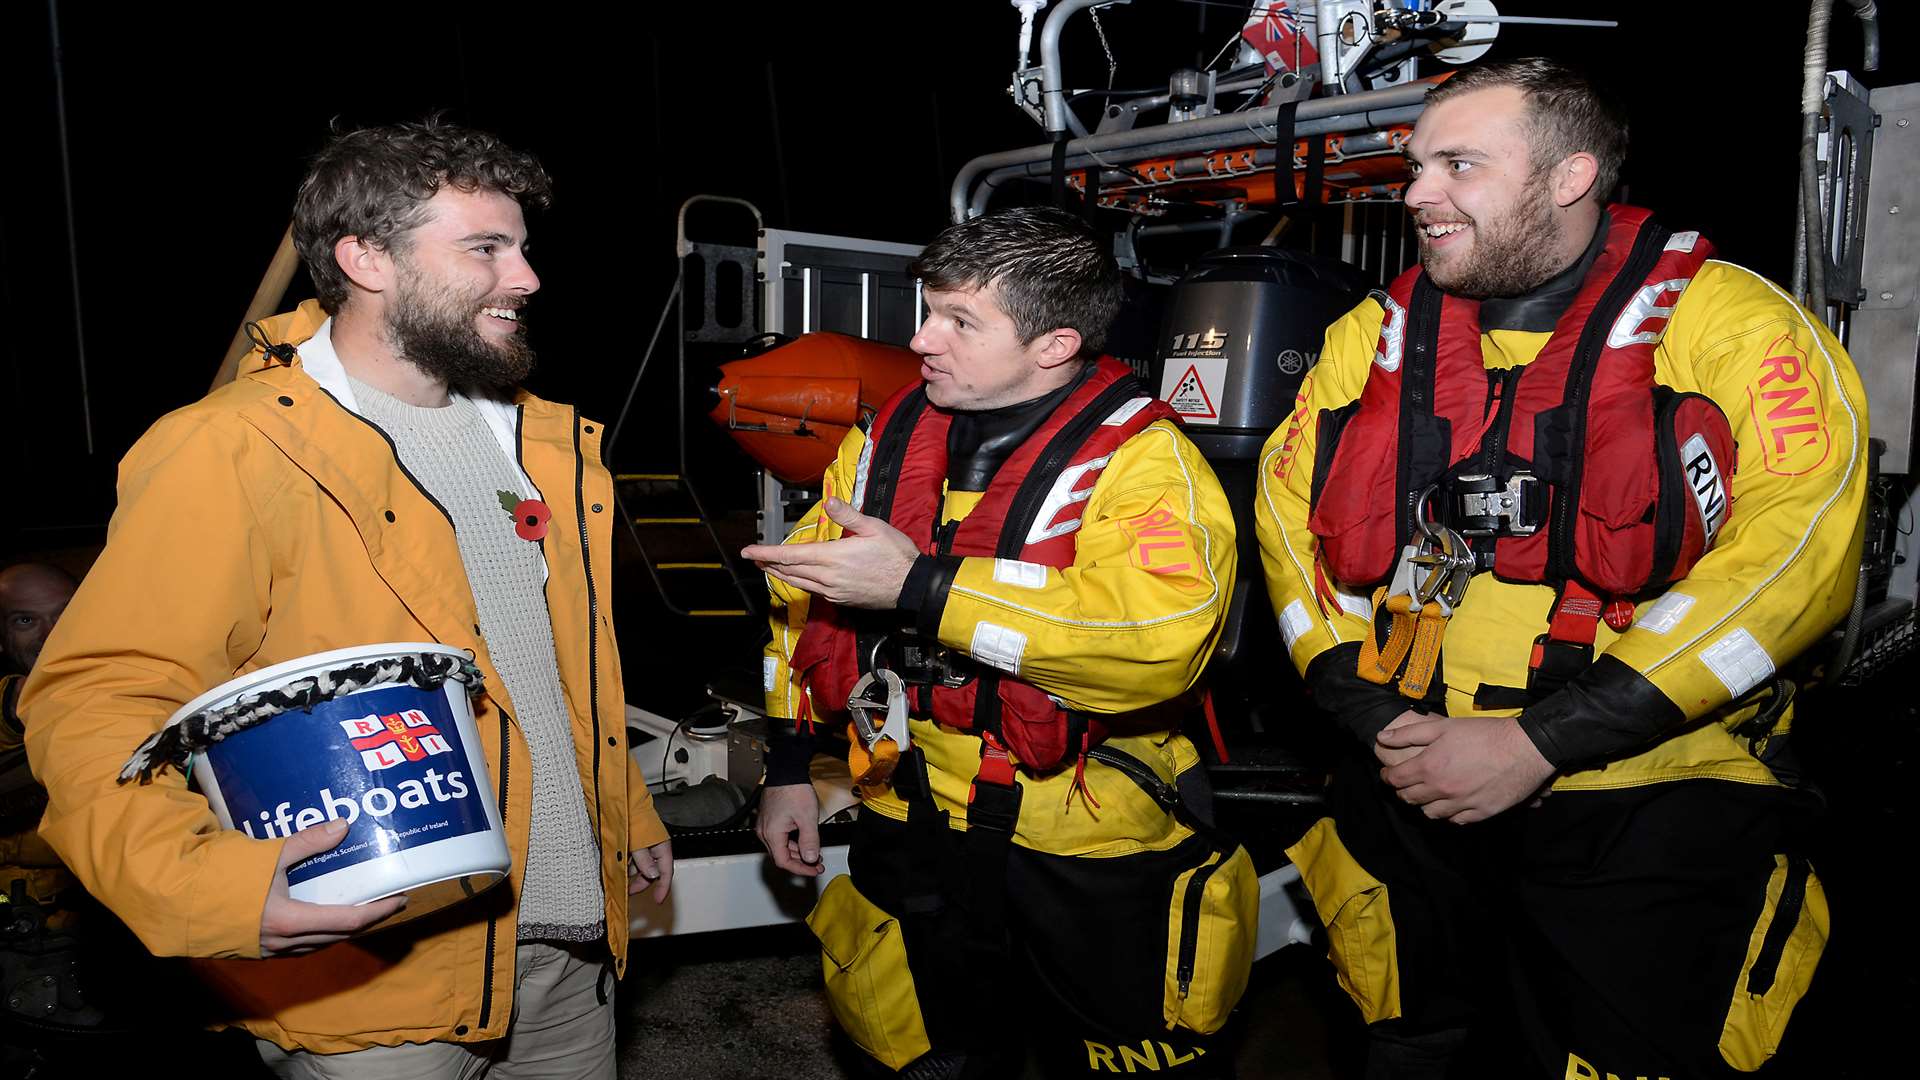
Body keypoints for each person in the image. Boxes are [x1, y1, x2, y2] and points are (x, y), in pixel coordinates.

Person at [23, 118, 671, 1078]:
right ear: (365, 258)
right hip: (377, 973)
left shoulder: (540, 443)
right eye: (485, 249)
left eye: (523, 248)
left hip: (567, 951)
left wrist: (624, 809)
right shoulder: (232, 450)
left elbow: (544, 666)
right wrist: (209, 885)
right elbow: (98, 702)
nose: (527, 279)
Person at [1256, 58, 1865, 1077]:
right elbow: (1285, 519)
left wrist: (1545, 740)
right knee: (1409, 1042)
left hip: (1642, 793)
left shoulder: (1737, 327)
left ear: (1571, 176)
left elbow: (1799, 553)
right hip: (1407, 776)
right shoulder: (1376, 333)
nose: (1414, 192)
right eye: (1415, 165)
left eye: (1458, 165)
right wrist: (1372, 714)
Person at [747, 206, 1248, 1078]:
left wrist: (921, 588)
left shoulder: (1144, 460)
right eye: (928, 309)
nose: (920, 338)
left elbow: (1157, 639)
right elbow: (800, 602)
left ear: (1053, 344)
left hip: (1082, 835)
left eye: (958, 321)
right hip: (905, 810)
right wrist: (789, 767)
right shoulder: (885, 437)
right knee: (919, 1056)